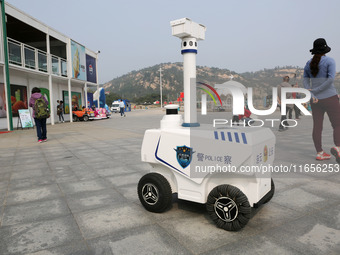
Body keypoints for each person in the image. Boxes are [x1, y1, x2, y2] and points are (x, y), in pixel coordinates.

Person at [303, 38, 340, 162]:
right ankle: (338, 147)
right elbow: (330, 80)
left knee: (317, 126)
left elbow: (305, 80)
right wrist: (318, 89)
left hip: (315, 100)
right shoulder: (330, 61)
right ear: (325, 49)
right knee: (337, 124)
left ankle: (319, 152)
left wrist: (311, 91)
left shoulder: (308, 63)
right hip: (330, 97)